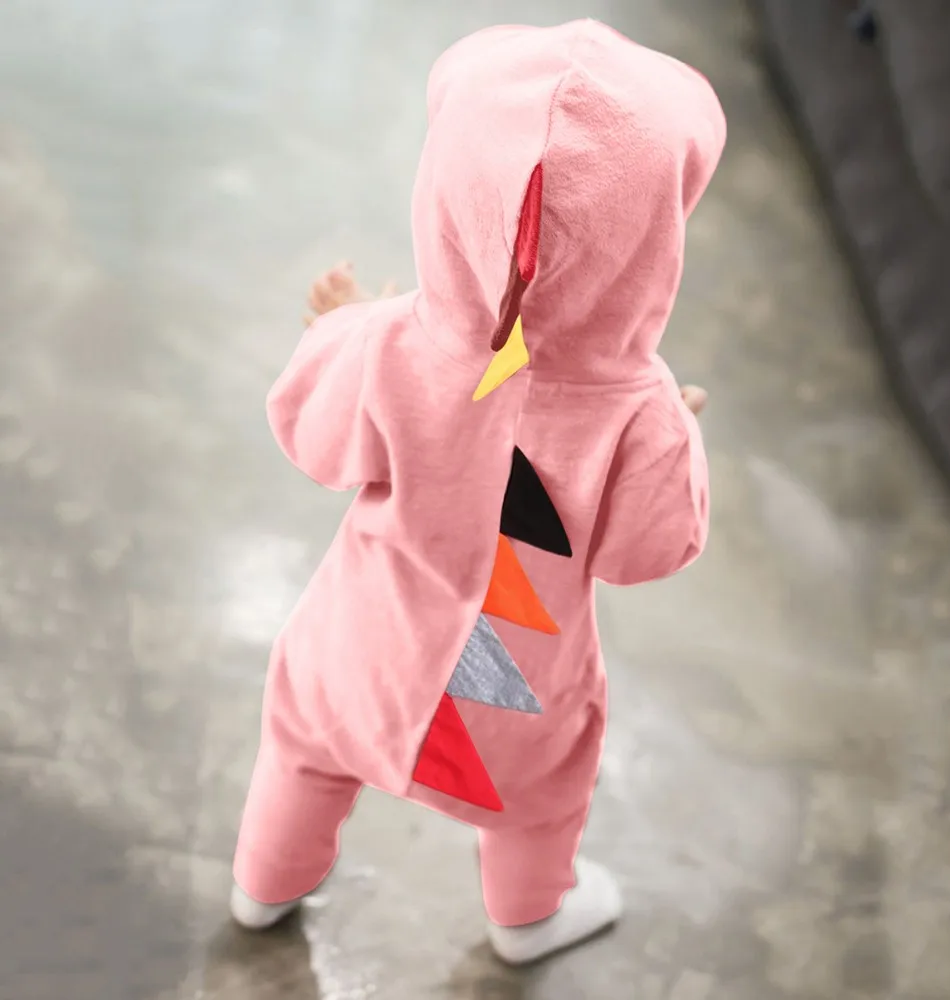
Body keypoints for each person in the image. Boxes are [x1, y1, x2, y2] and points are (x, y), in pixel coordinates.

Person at [230, 19, 725, 966]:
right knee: (543, 803)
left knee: (301, 745)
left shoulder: (397, 343)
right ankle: (527, 919)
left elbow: (312, 432)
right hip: (515, 713)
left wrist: (339, 331)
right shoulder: (638, 412)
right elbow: (648, 550)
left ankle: (264, 884)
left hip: (359, 656)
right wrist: (676, 440)